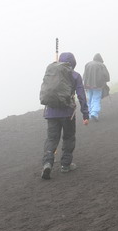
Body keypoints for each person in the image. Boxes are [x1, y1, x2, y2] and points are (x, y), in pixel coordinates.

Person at [41, 52, 89, 180]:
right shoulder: (75, 76)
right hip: (67, 113)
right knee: (68, 137)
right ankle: (65, 165)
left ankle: (47, 163)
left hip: (50, 112)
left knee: (52, 139)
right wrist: (85, 113)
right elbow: (81, 96)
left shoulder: (52, 73)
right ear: (73, 62)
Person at [83, 53, 110, 122]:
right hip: (98, 85)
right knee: (96, 99)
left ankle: (88, 114)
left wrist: (85, 85)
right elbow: (106, 76)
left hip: (88, 85)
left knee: (90, 99)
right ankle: (94, 113)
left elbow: (84, 76)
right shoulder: (101, 65)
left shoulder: (87, 64)